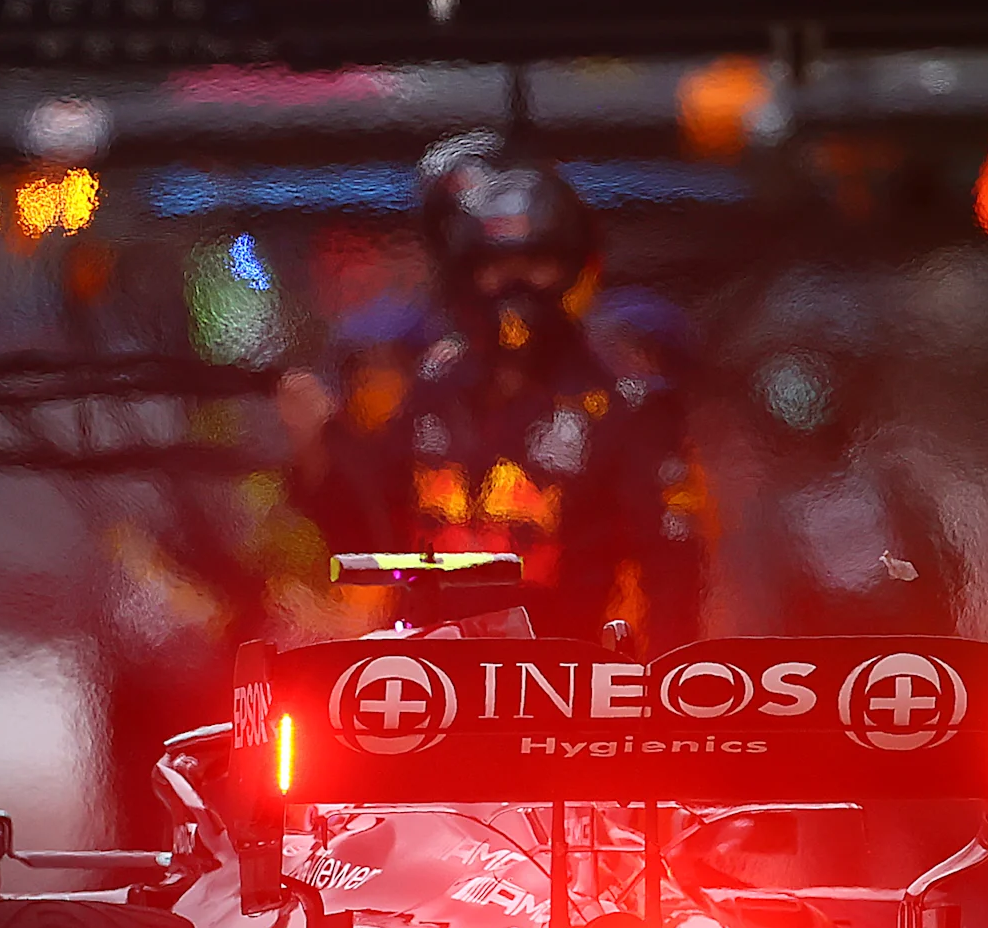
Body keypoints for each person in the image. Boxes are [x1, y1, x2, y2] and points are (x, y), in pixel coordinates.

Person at [282, 136, 706, 643]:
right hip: (429, 676)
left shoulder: (625, 403)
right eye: (496, 266)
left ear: (571, 269)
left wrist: (652, 698)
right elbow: (362, 533)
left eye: (537, 263)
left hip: (566, 682)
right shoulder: (431, 386)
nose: (515, 285)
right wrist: (317, 446)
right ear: (468, 272)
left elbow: (674, 575)